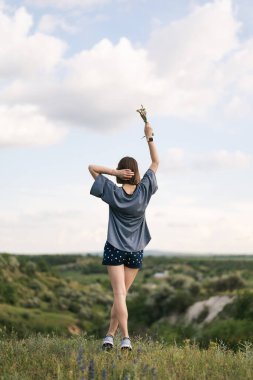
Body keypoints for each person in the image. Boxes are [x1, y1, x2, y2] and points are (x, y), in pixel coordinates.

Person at [88, 122, 159, 351]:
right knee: (122, 295)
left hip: (114, 247)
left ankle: (122, 337)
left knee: (119, 294)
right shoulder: (145, 189)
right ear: (136, 172)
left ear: (122, 172)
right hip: (136, 249)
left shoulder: (113, 192)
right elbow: (156, 162)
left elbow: (92, 168)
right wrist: (149, 137)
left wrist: (114, 173)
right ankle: (112, 336)